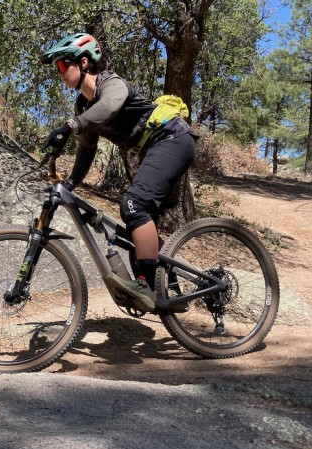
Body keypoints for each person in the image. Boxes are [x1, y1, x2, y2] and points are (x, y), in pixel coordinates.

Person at [40, 32, 196, 313]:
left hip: (172, 138)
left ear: (84, 62)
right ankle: (169, 291)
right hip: (155, 149)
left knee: (133, 205)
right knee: (137, 230)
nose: (59, 73)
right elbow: (87, 150)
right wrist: (71, 183)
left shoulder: (110, 84)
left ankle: (146, 285)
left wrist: (70, 126)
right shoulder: (82, 106)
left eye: (63, 66)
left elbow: (111, 105)